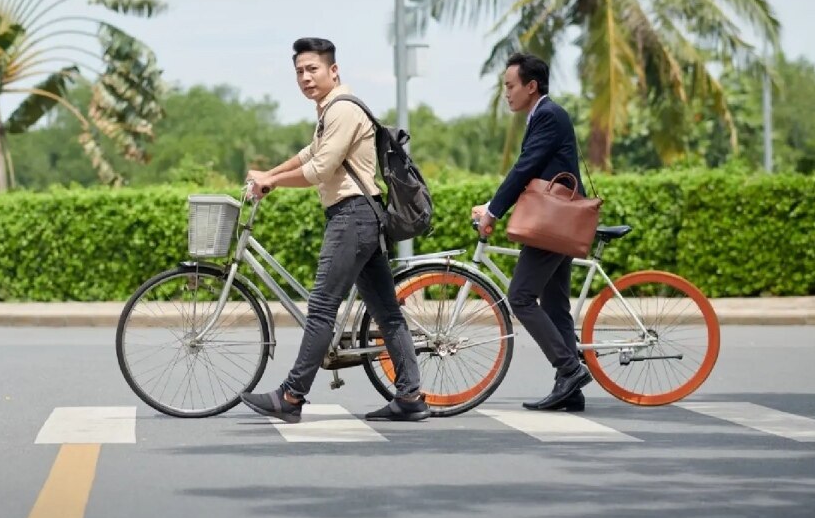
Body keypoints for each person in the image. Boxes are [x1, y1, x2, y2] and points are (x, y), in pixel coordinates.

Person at [238, 37, 430, 424]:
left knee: (323, 307)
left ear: (333, 70)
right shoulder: (331, 110)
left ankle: (292, 396)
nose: (305, 78)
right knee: (387, 313)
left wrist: (271, 185)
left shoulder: (342, 109)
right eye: (299, 72)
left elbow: (319, 170)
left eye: (312, 69)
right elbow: (310, 153)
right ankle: (410, 397)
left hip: (352, 217)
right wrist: (269, 173)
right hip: (363, 216)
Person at [471, 52, 592, 412]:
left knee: (521, 297)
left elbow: (525, 168)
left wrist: (493, 209)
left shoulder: (549, 116)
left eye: (510, 86)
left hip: (554, 220)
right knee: (555, 305)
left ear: (531, 86)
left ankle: (569, 369)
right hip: (555, 222)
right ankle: (571, 390)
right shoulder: (541, 115)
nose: (506, 93)